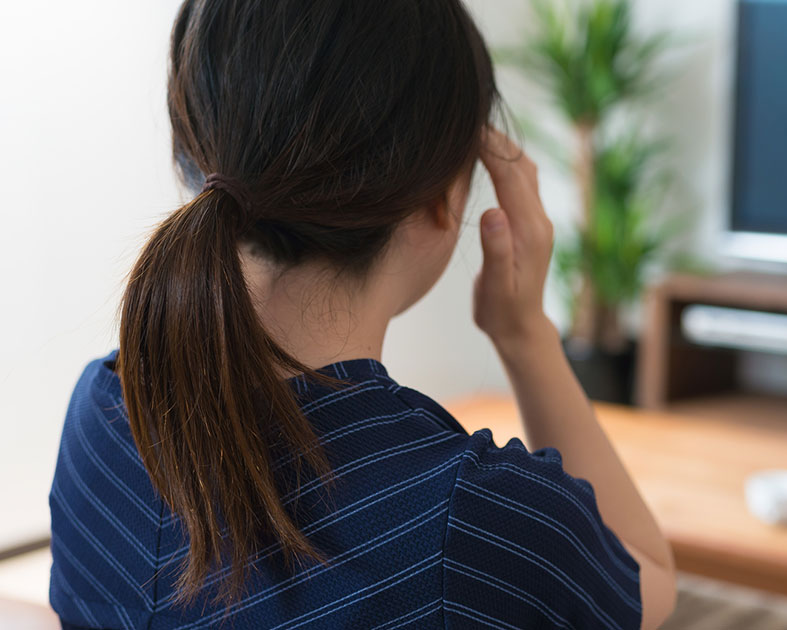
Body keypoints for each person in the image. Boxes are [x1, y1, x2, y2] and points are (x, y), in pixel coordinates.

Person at [46, 1, 676, 628]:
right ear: (441, 200)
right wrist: (526, 334)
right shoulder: (485, 526)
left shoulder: (102, 415)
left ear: (191, 151)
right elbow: (644, 579)